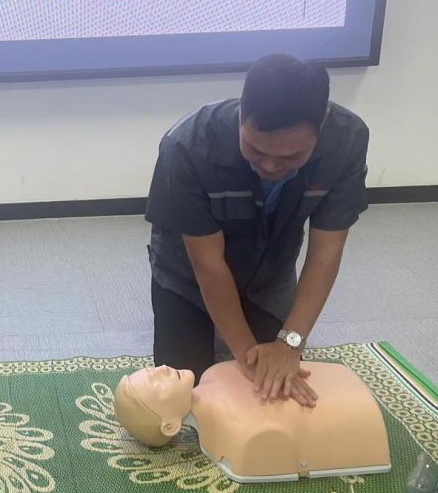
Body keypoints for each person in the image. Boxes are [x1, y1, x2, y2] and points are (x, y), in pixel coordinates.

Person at [145, 54, 369, 407]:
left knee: (275, 393)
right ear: (241, 115)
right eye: (255, 149)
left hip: (269, 274)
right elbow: (207, 263)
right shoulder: (186, 146)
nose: (270, 165)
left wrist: (290, 343)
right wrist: (247, 354)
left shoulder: (348, 140)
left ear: (322, 124)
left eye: (290, 157)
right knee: (180, 395)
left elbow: (326, 250)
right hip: (187, 276)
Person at [112, 363, 391, 482]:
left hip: (343, 404)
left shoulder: (216, 373)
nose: (162, 368)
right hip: (343, 415)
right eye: (155, 384)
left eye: (151, 370)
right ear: (170, 426)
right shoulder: (238, 434)